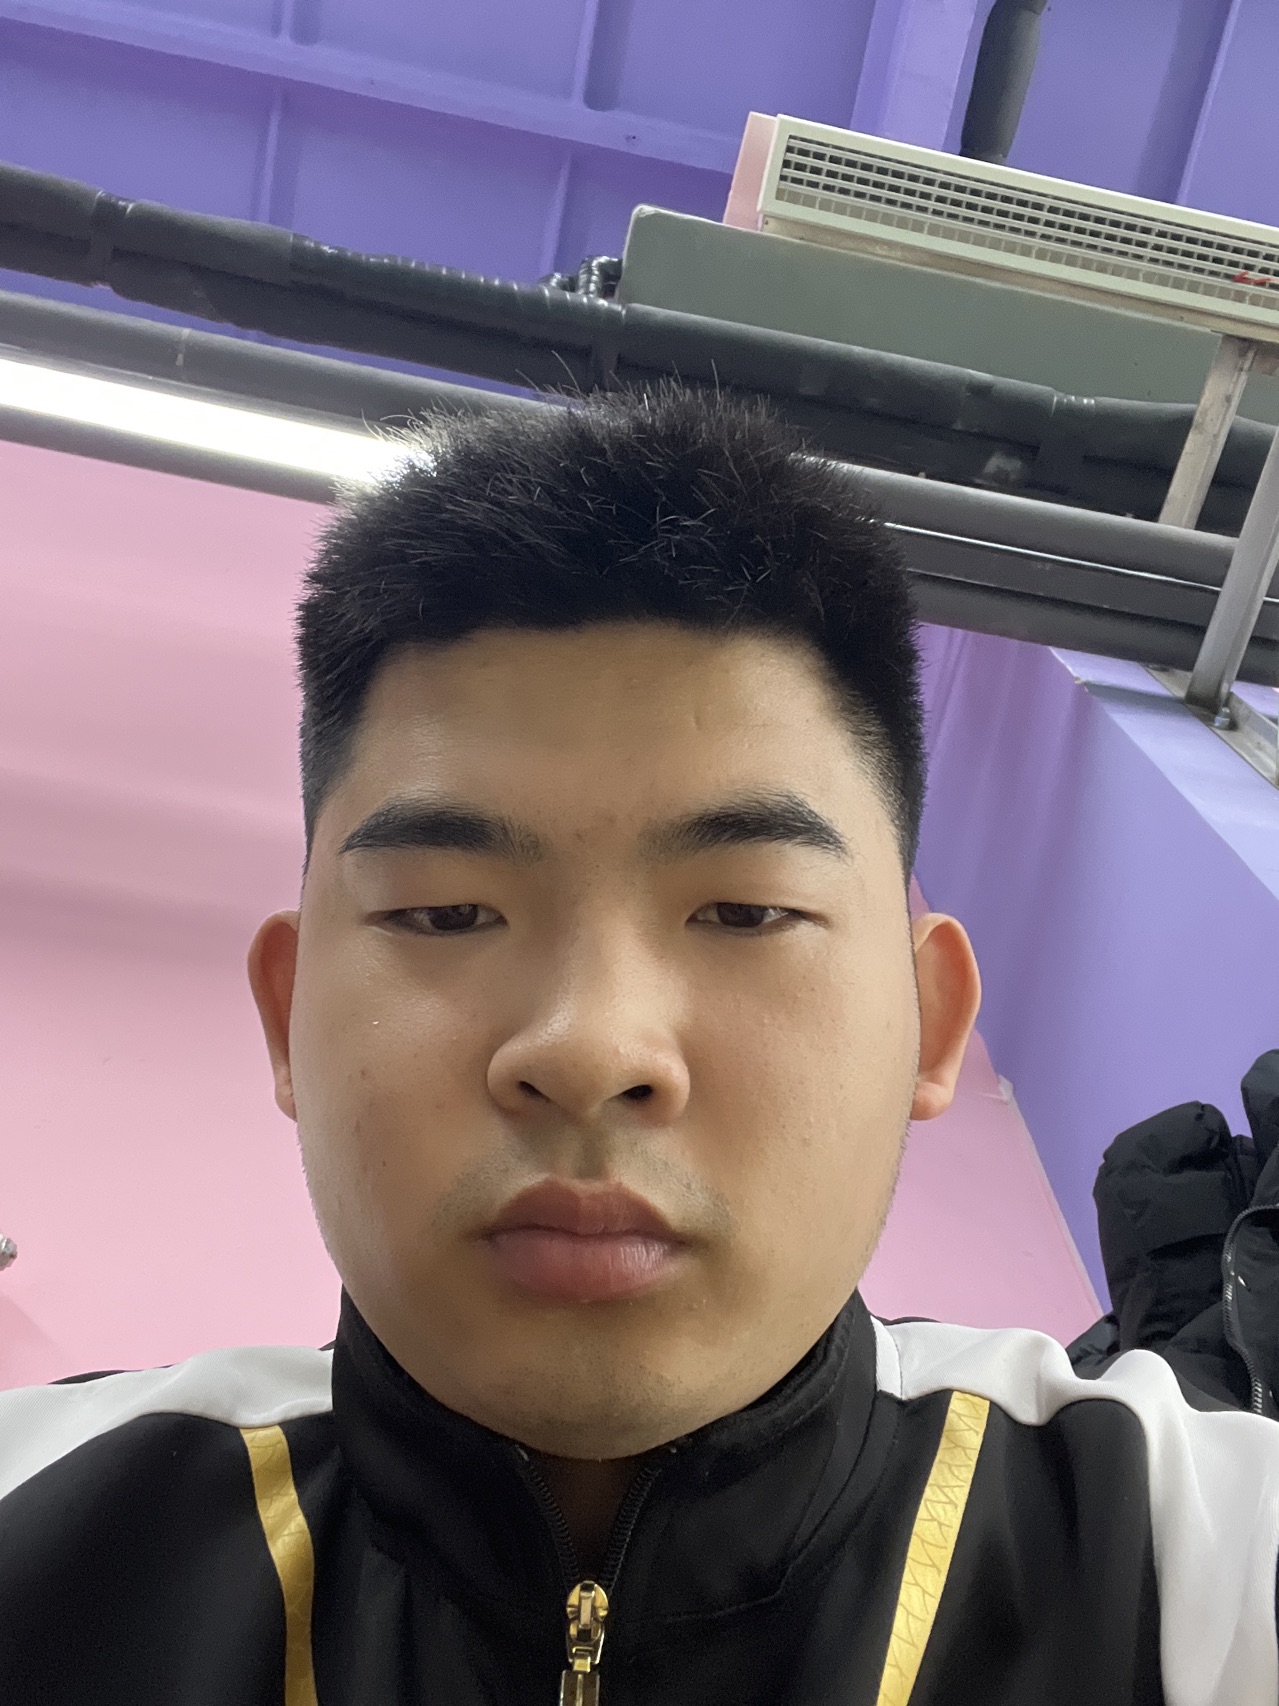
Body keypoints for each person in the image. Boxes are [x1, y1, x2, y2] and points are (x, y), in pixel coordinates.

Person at [0, 385, 1275, 1706]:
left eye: (744, 911)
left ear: (930, 1023)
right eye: (446, 913)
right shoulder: (41, 1533)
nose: (591, 1047)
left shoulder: (1188, 1571)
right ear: (287, 1013)